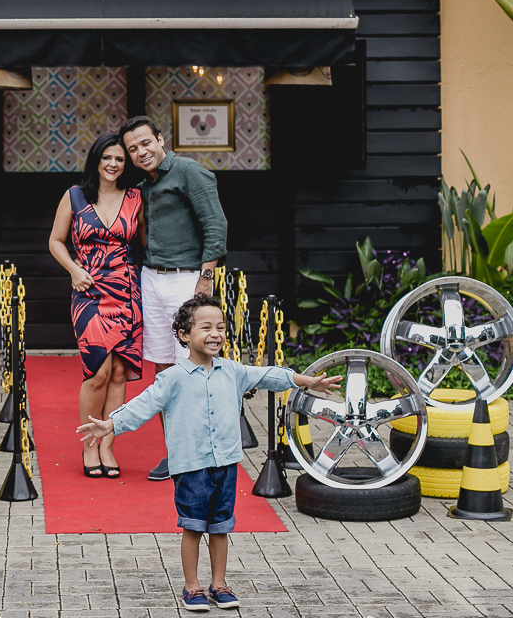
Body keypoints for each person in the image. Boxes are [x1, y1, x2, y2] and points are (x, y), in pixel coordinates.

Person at [77, 294, 341, 612]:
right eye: (206, 327)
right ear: (184, 335)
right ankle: (192, 587)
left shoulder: (232, 370)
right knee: (192, 527)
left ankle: (219, 584)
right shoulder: (172, 377)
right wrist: (110, 424)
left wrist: (307, 381)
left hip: (226, 464)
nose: (215, 334)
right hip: (191, 466)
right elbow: (143, 405)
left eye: (220, 327)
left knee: (220, 527)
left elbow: (268, 375)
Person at [121, 115, 227, 481]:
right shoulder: (143, 185)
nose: (141, 152)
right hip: (152, 279)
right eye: (133, 149)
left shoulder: (188, 172)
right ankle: (176, 451)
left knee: (194, 367)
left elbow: (216, 224)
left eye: (145, 143)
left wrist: (206, 278)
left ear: (160, 139)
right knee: (164, 369)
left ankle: (203, 451)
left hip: (187, 279)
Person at [49, 133, 144, 479]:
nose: (113, 164)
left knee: (119, 372)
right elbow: (55, 241)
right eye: (107, 157)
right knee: (98, 372)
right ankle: (89, 444)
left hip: (127, 293)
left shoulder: (135, 198)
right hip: (88, 291)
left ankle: (107, 445)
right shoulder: (75, 196)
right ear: (96, 160)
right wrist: (74, 270)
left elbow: (146, 243)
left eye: (119, 159)